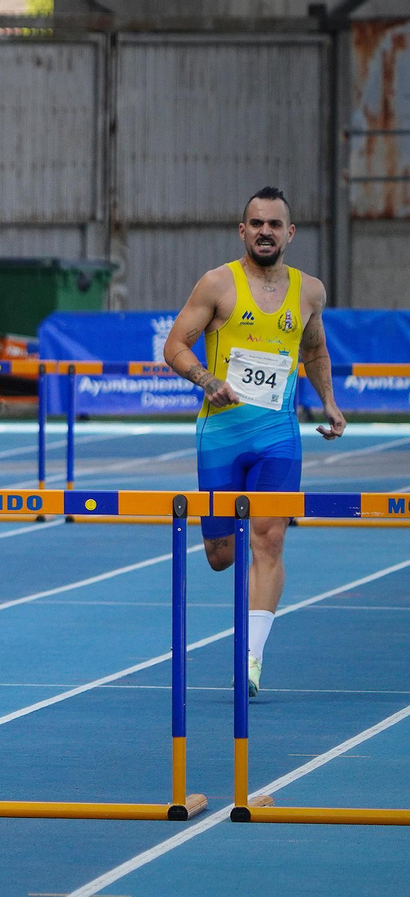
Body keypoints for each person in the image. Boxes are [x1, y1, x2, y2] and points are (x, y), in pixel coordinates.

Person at [162, 185, 347, 699]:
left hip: (278, 435)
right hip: (221, 434)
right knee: (220, 555)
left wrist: (328, 401)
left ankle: (250, 657)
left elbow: (314, 351)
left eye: (275, 224)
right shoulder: (217, 284)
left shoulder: (310, 291)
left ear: (290, 233)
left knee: (269, 538)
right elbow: (174, 346)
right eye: (256, 223)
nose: (265, 231)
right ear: (242, 231)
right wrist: (206, 380)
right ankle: (239, 549)